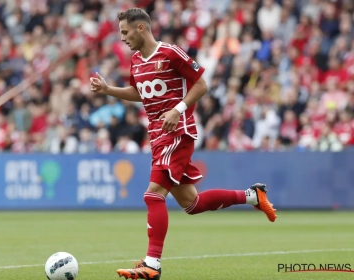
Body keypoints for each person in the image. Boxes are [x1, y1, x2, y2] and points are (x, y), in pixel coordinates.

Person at [90, 8, 277, 280]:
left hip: (178, 131)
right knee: (192, 203)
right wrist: (109, 90)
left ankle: (152, 264)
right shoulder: (136, 61)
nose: (122, 37)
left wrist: (178, 109)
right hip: (157, 135)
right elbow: (138, 92)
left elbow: (201, 84)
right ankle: (253, 196)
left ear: (141, 28)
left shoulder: (171, 53)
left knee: (152, 195)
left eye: (125, 32)